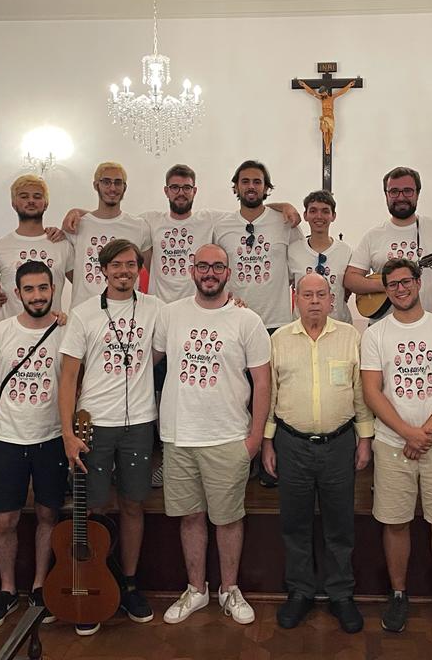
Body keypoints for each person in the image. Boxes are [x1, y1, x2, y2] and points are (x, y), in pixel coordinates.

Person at [152, 244, 271, 626]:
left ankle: (229, 589)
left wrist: (254, 439)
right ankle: (196, 589)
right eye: (203, 266)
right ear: (192, 270)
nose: (209, 273)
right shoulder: (170, 314)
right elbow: (145, 362)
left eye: (217, 266)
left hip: (228, 437)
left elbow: (263, 382)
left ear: (228, 272)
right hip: (180, 436)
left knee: (228, 519)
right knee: (190, 517)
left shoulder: (247, 320)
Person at [360, 257, 432, 636]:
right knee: (395, 522)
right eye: (393, 284)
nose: (400, 289)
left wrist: (426, 432)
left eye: (406, 282)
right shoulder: (375, 334)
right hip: (393, 442)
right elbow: (372, 391)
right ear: (386, 290)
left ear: (419, 282)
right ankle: (399, 594)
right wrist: (407, 432)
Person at [58, 240, 161, 633]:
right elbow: (68, 376)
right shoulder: (84, 313)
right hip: (94, 424)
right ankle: (92, 580)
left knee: (134, 505)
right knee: (93, 507)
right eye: (116, 265)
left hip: (139, 423)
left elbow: (170, 342)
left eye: (131, 265)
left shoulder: (155, 308)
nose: (124, 271)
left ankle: (130, 583)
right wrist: (67, 433)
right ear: (103, 270)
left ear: (139, 269)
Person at [262, 273, 373, 634]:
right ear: (296, 299)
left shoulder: (350, 337)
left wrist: (365, 438)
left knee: (340, 524)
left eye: (320, 295)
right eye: (307, 295)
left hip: (339, 444)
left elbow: (360, 392)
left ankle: (341, 593)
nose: (313, 301)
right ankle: (300, 591)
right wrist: (267, 442)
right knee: (295, 523)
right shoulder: (279, 339)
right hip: (291, 444)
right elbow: (270, 395)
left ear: (331, 300)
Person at [0, 261, 67, 632]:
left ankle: (39, 586)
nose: (37, 295)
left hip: (51, 437)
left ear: (53, 290)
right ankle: (7, 589)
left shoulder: (66, 330)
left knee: (48, 514)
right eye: (29, 289)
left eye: (43, 288)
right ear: (17, 293)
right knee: (5, 520)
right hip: (8, 438)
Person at [345, 166, 432, 322]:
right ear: (386, 195)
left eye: (408, 191)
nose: (401, 197)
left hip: (431, 325)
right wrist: (388, 284)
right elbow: (350, 279)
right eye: (394, 191)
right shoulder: (373, 236)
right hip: (384, 328)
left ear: (417, 193)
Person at [214, 160, 302, 332]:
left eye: (257, 182)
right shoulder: (221, 227)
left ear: (266, 188)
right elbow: (217, 274)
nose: (251, 186)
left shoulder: (285, 222)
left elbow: (299, 270)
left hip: (277, 322)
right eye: (245, 181)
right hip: (235, 320)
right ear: (236, 187)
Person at [65, 162, 152, 309]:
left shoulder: (139, 226)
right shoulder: (77, 224)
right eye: (106, 182)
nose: (112, 188)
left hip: (126, 311)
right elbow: (68, 268)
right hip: (85, 310)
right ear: (96, 185)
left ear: (124, 187)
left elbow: (152, 270)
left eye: (118, 183)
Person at [0, 175, 73, 320]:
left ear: (46, 204)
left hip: (51, 330)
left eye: (37, 196)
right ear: (14, 203)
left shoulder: (62, 244)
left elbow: (83, 285)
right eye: (24, 196)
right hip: (10, 330)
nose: (31, 201)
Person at [288, 190, 353, 324]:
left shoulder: (346, 251)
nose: (319, 216)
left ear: (333, 216)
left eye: (325, 211)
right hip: (302, 327)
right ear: (305, 215)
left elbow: (349, 288)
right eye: (313, 211)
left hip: (338, 326)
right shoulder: (293, 251)